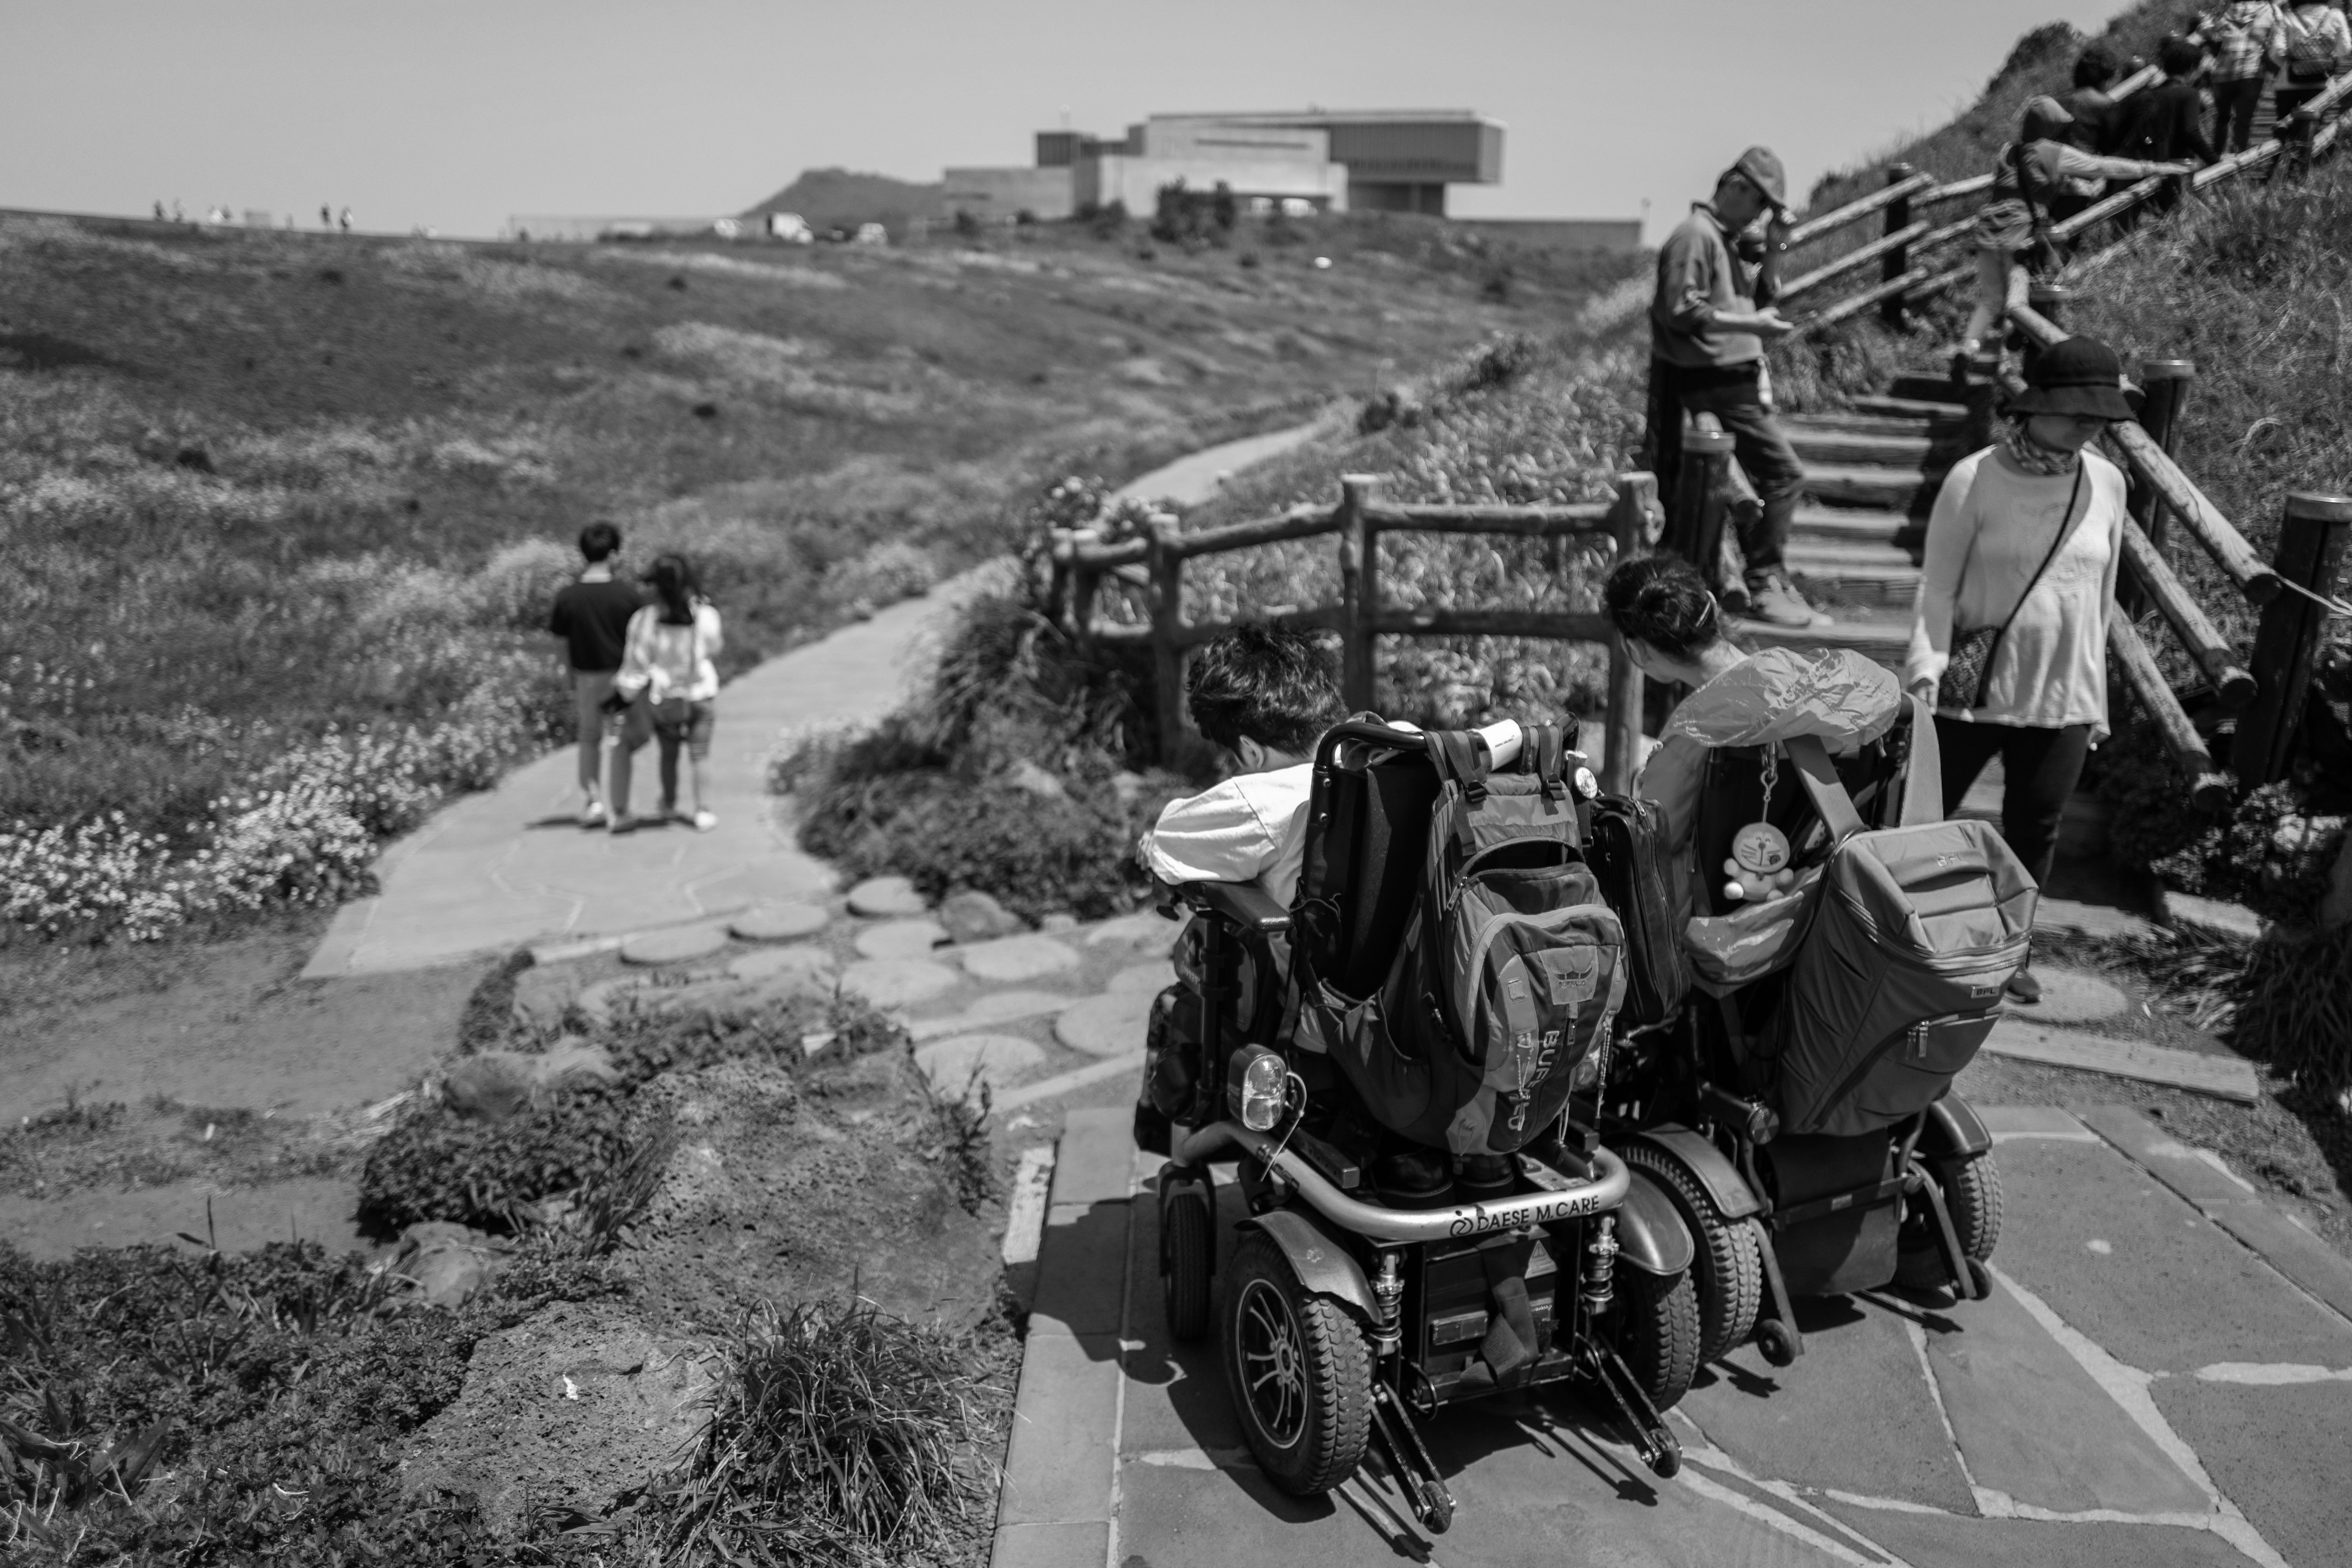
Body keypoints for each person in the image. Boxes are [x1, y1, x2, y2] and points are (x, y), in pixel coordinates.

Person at [1905, 336, 2136, 1004]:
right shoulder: (1974, 478)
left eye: (2100, 414)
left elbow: (2101, 600)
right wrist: (1926, 665)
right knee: (1925, 818)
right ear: (2034, 407)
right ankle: (1906, 938)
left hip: (2063, 695)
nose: (2089, 424)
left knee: (2036, 829)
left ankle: (2009, 951)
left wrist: (2095, 700)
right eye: (2077, 410)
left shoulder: (2108, 483)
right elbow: (1938, 586)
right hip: (1971, 688)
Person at [1603, 554, 1902, 918]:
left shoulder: (1696, 733)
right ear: (1711, 606)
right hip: (1841, 899)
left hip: (1730, 923)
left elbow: (1650, 842)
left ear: (1635, 649)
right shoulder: (1831, 687)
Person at [1644, 146, 1819, 631]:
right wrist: (1751, 325)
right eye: (1760, 204)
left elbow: (1756, 300)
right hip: (1714, 382)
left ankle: (1759, 581)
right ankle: (1764, 581)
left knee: (1762, 480)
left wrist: (1776, 250)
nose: (1760, 216)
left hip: (1730, 381)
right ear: (1737, 187)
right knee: (1783, 474)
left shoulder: (1721, 239)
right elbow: (1680, 309)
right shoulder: (1695, 236)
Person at [1954, 100, 2191, 375]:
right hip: (2018, 233)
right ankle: (2009, 347)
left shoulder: (2008, 150)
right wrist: (2153, 168)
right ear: (2051, 126)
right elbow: (2101, 166)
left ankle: (1968, 348)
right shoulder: (2054, 152)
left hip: (1988, 229)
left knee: (1990, 300)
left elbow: (2019, 183)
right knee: (2017, 301)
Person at [609, 553, 724, 833]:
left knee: (669, 753)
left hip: (665, 698)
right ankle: (703, 810)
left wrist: (624, 696)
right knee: (700, 754)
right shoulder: (705, 615)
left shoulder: (645, 619)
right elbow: (716, 647)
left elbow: (637, 663)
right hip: (700, 692)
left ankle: (669, 802)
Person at [546, 522, 644, 828]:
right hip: (620, 677)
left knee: (589, 738)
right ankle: (620, 809)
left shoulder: (568, 596)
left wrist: (567, 675)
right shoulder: (627, 595)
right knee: (618, 740)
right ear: (613, 554)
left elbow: (561, 643)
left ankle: (593, 803)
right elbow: (639, 641)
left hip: (585, 676)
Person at [2112, 34, 2223, 167]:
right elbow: (2191, 132)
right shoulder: (2189, 94)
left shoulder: (2148, 94)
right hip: (2175, 166)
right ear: (2192, 67)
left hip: (2146, 162)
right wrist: (2216, 161)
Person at [2196, 3, 2290, 154]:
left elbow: (2205, 30)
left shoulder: (2226, 8)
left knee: (2222, 119)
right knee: (2243, 122)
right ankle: (2238, 159)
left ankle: (2216, 159)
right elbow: (2280, 37)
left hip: (2222, 74)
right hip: (2251, 73)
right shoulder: (2270, 10)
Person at [2276, 0, 2352, 125]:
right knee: (2312, 128)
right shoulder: (2335, 15)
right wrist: (2330, 59)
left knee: (2284, 127)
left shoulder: (2289, 17)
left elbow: (2278, 52)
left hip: (2288, 83)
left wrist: (2289, 65)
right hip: (2322, 83)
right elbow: (2345, 50)